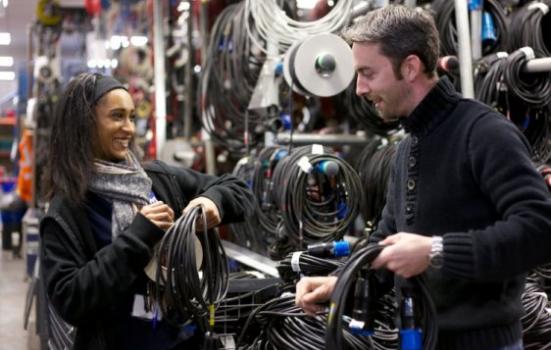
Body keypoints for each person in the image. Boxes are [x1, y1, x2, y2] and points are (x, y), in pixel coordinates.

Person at [295, 5, 551, 350]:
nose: (359, 88)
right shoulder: (409, 147)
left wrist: (436, 250)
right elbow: (388, 239)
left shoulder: (483, 134)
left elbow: (539, 229)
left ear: (410, 67)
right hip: (423, 339)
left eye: (368, 73)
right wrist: (338, 282)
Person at [40, 72, 255, 350]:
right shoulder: (67, 209)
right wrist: (138, 236)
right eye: (117, 116)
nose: (129, 128)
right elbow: (70, 299)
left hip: (181, 340)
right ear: (84, 124)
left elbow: (238, 189)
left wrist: (214, 202)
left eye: (131, 117)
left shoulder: (157, 179)